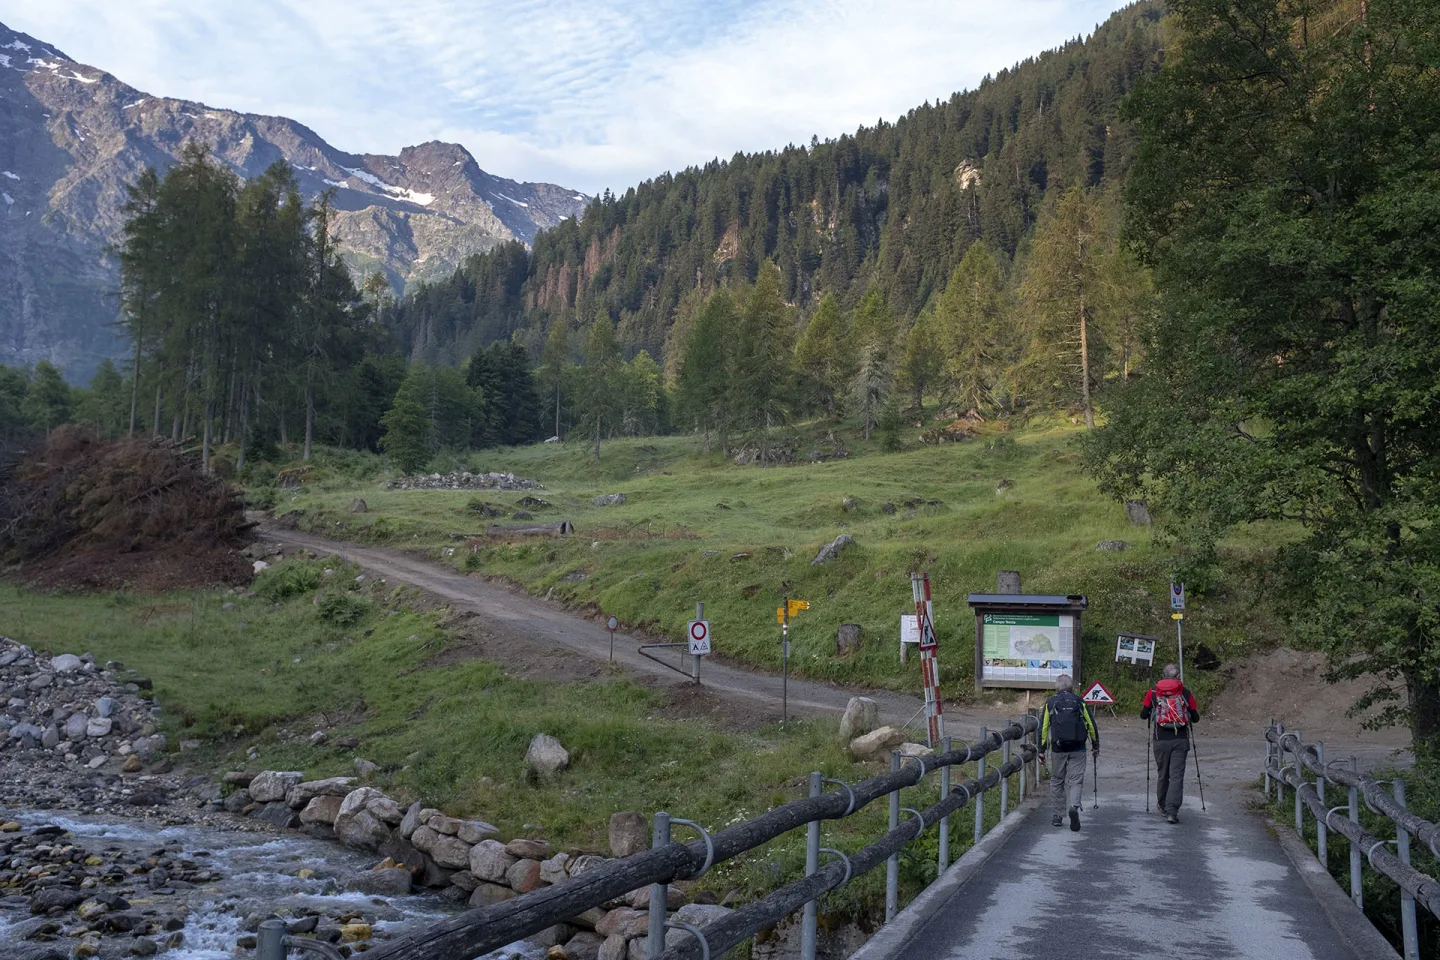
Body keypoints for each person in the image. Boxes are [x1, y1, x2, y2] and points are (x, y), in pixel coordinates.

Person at [1038, 674, 1100, 831]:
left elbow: (1043, 727)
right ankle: (1073, 806)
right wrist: (1095, 744)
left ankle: (1058, 816)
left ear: (1057, 687)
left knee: (1057, 780)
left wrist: (1041, 750)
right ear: (1072, 687)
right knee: (1076, 781)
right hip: (1078, 747)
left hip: (1058, 749)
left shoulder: (1051, 702)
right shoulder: (1079, 702)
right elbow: (1091, 724)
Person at [1140, 663, 1201, 823]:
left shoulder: (1153, 692)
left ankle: (1162, 805)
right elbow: (1195, 717)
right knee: (1176, 776)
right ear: (1177, 676)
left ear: (1163, 675)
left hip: (1160, 740)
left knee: (1163, 774)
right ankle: (1172, 812)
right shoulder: (1185, 692)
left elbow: (1143, 714)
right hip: (1180, 740)